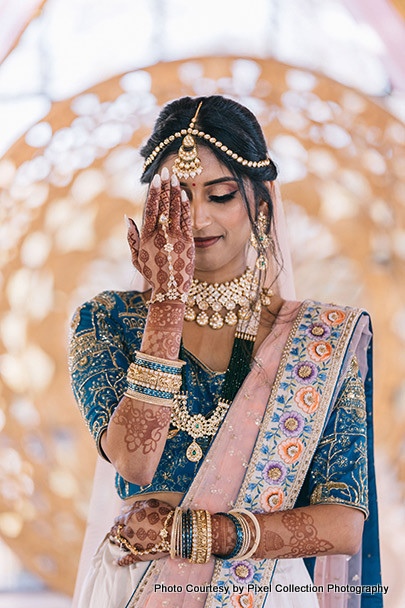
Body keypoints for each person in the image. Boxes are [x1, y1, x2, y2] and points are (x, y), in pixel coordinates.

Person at [69, 95, 382, 608]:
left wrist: (193, 535)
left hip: (263, 589)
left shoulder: (321, 338)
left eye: (220, 195)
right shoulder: (108, 320)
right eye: (177, 198)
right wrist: (167, 303)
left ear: (259, 206)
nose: (196, 218)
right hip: (140, 586)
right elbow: (134, 463)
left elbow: (344, 524)